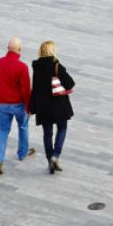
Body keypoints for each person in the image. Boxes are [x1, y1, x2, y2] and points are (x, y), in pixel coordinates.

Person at [30, 40, 76, 174]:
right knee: (62, 129)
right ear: (52, 51)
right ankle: (56, 155)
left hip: (43, 108)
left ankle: (50, 159)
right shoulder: (56, 65)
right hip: (59, 105)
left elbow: (35, 89)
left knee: (47, 134)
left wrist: (32, 108)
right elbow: (70, 83)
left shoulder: (36, 68)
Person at [0, 38, 34, 174]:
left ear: (7, 48)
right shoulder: (22, 67)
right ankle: (22, 152)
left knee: (3, 130)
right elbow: (26, 89)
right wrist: (29, 107)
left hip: (2, 103)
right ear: (19, 50)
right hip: (18, 105)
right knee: (23, 127)